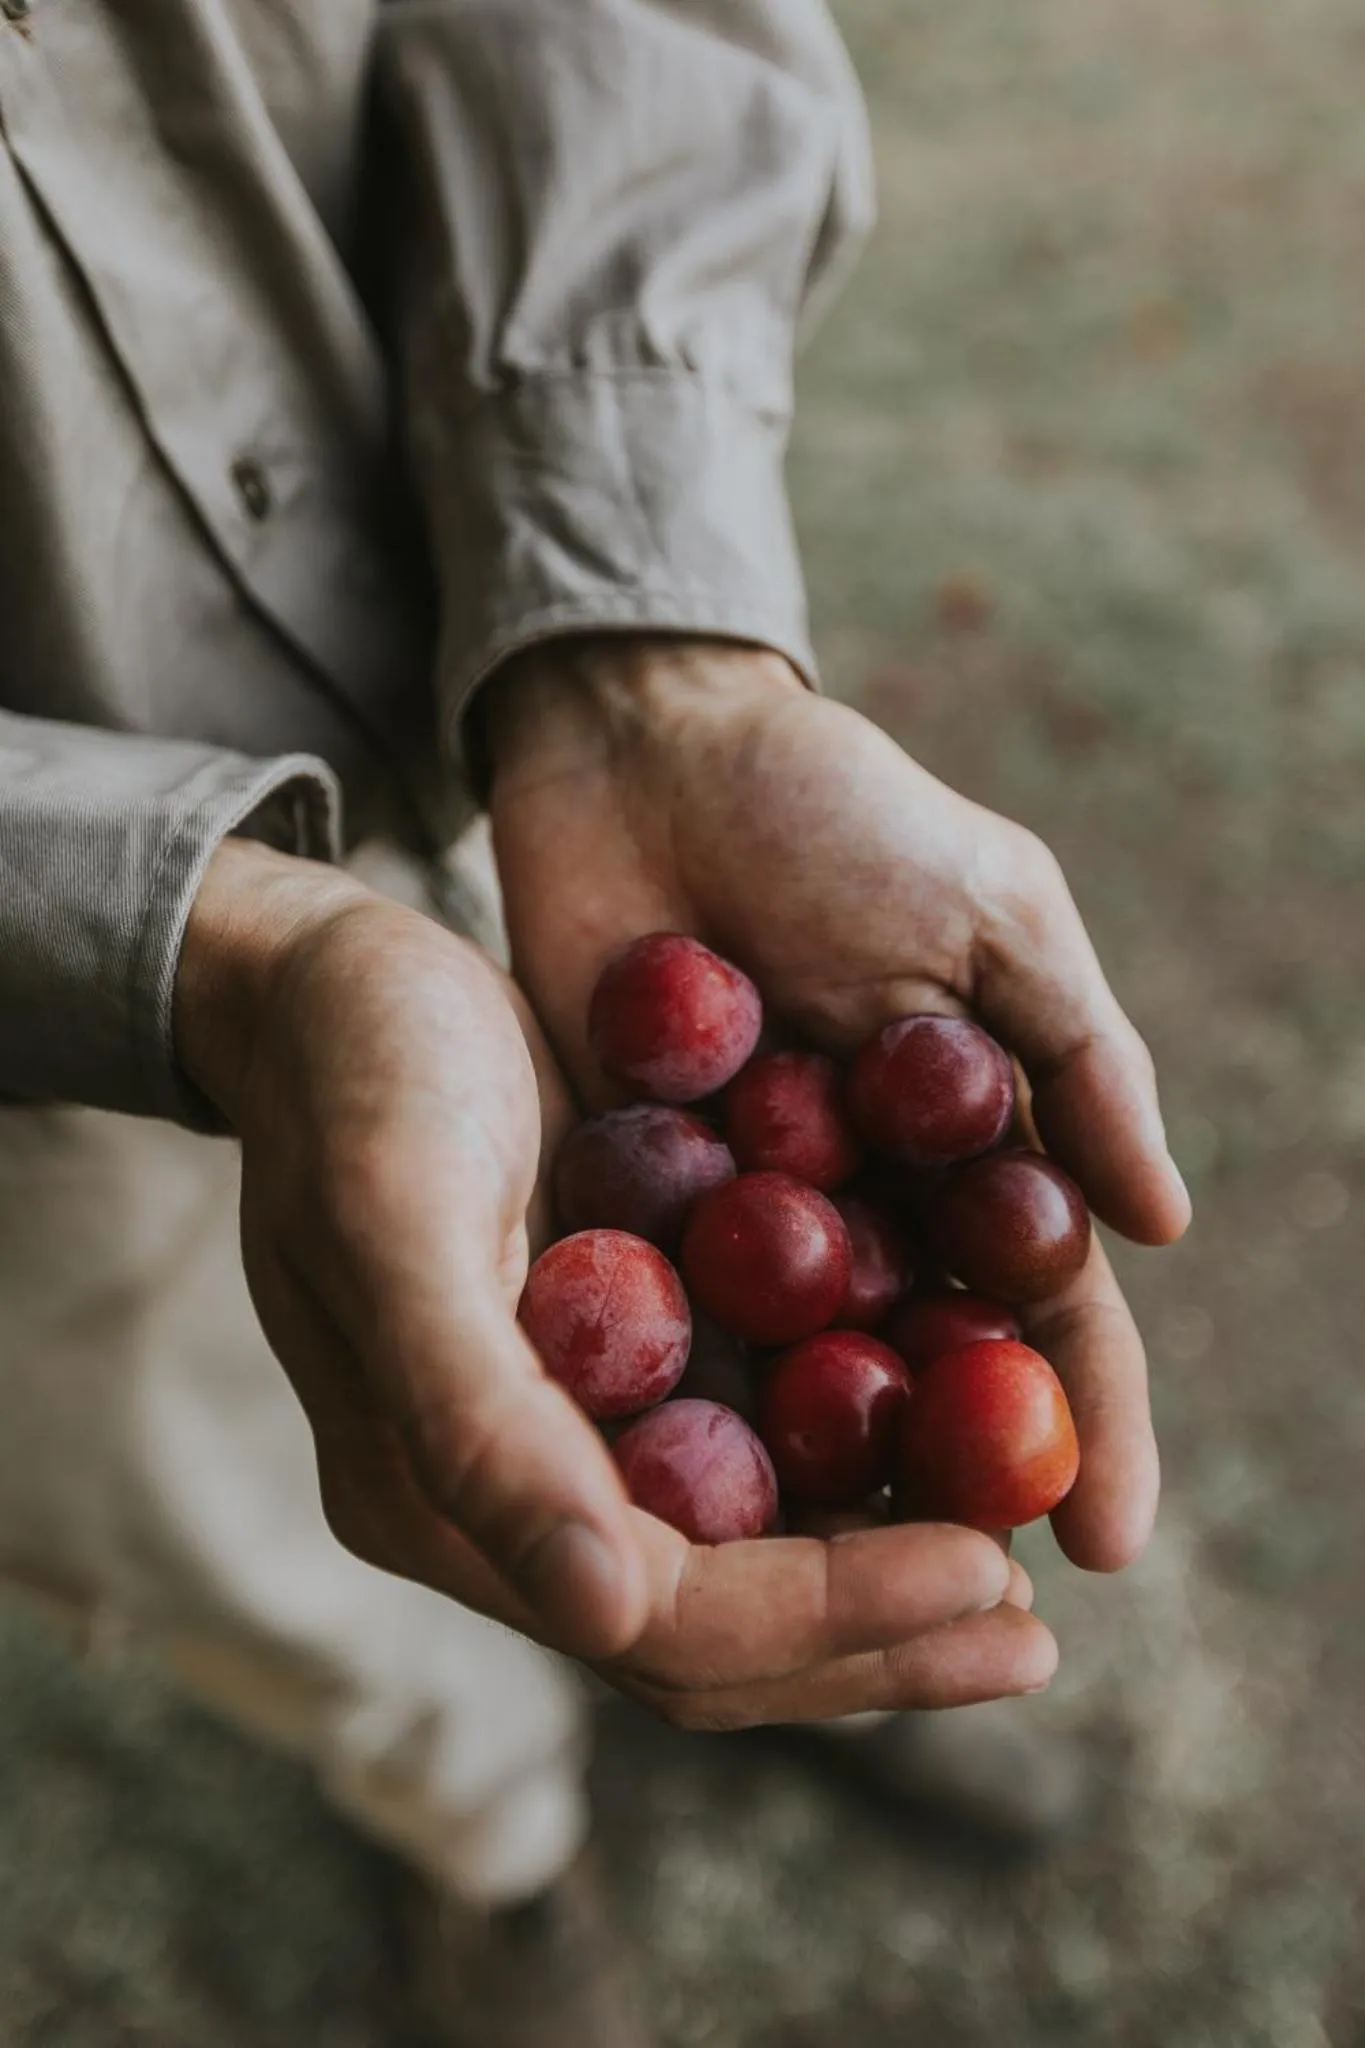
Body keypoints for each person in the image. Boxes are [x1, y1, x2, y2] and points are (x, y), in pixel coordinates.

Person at [0, 3, 1191, 2043]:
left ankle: (738, 1691)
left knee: (629, 1487)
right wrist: (194, 940)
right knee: (219, 1497)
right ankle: (486, 1822)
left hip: (487, 634)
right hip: (29, 1051)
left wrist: (647, 653)